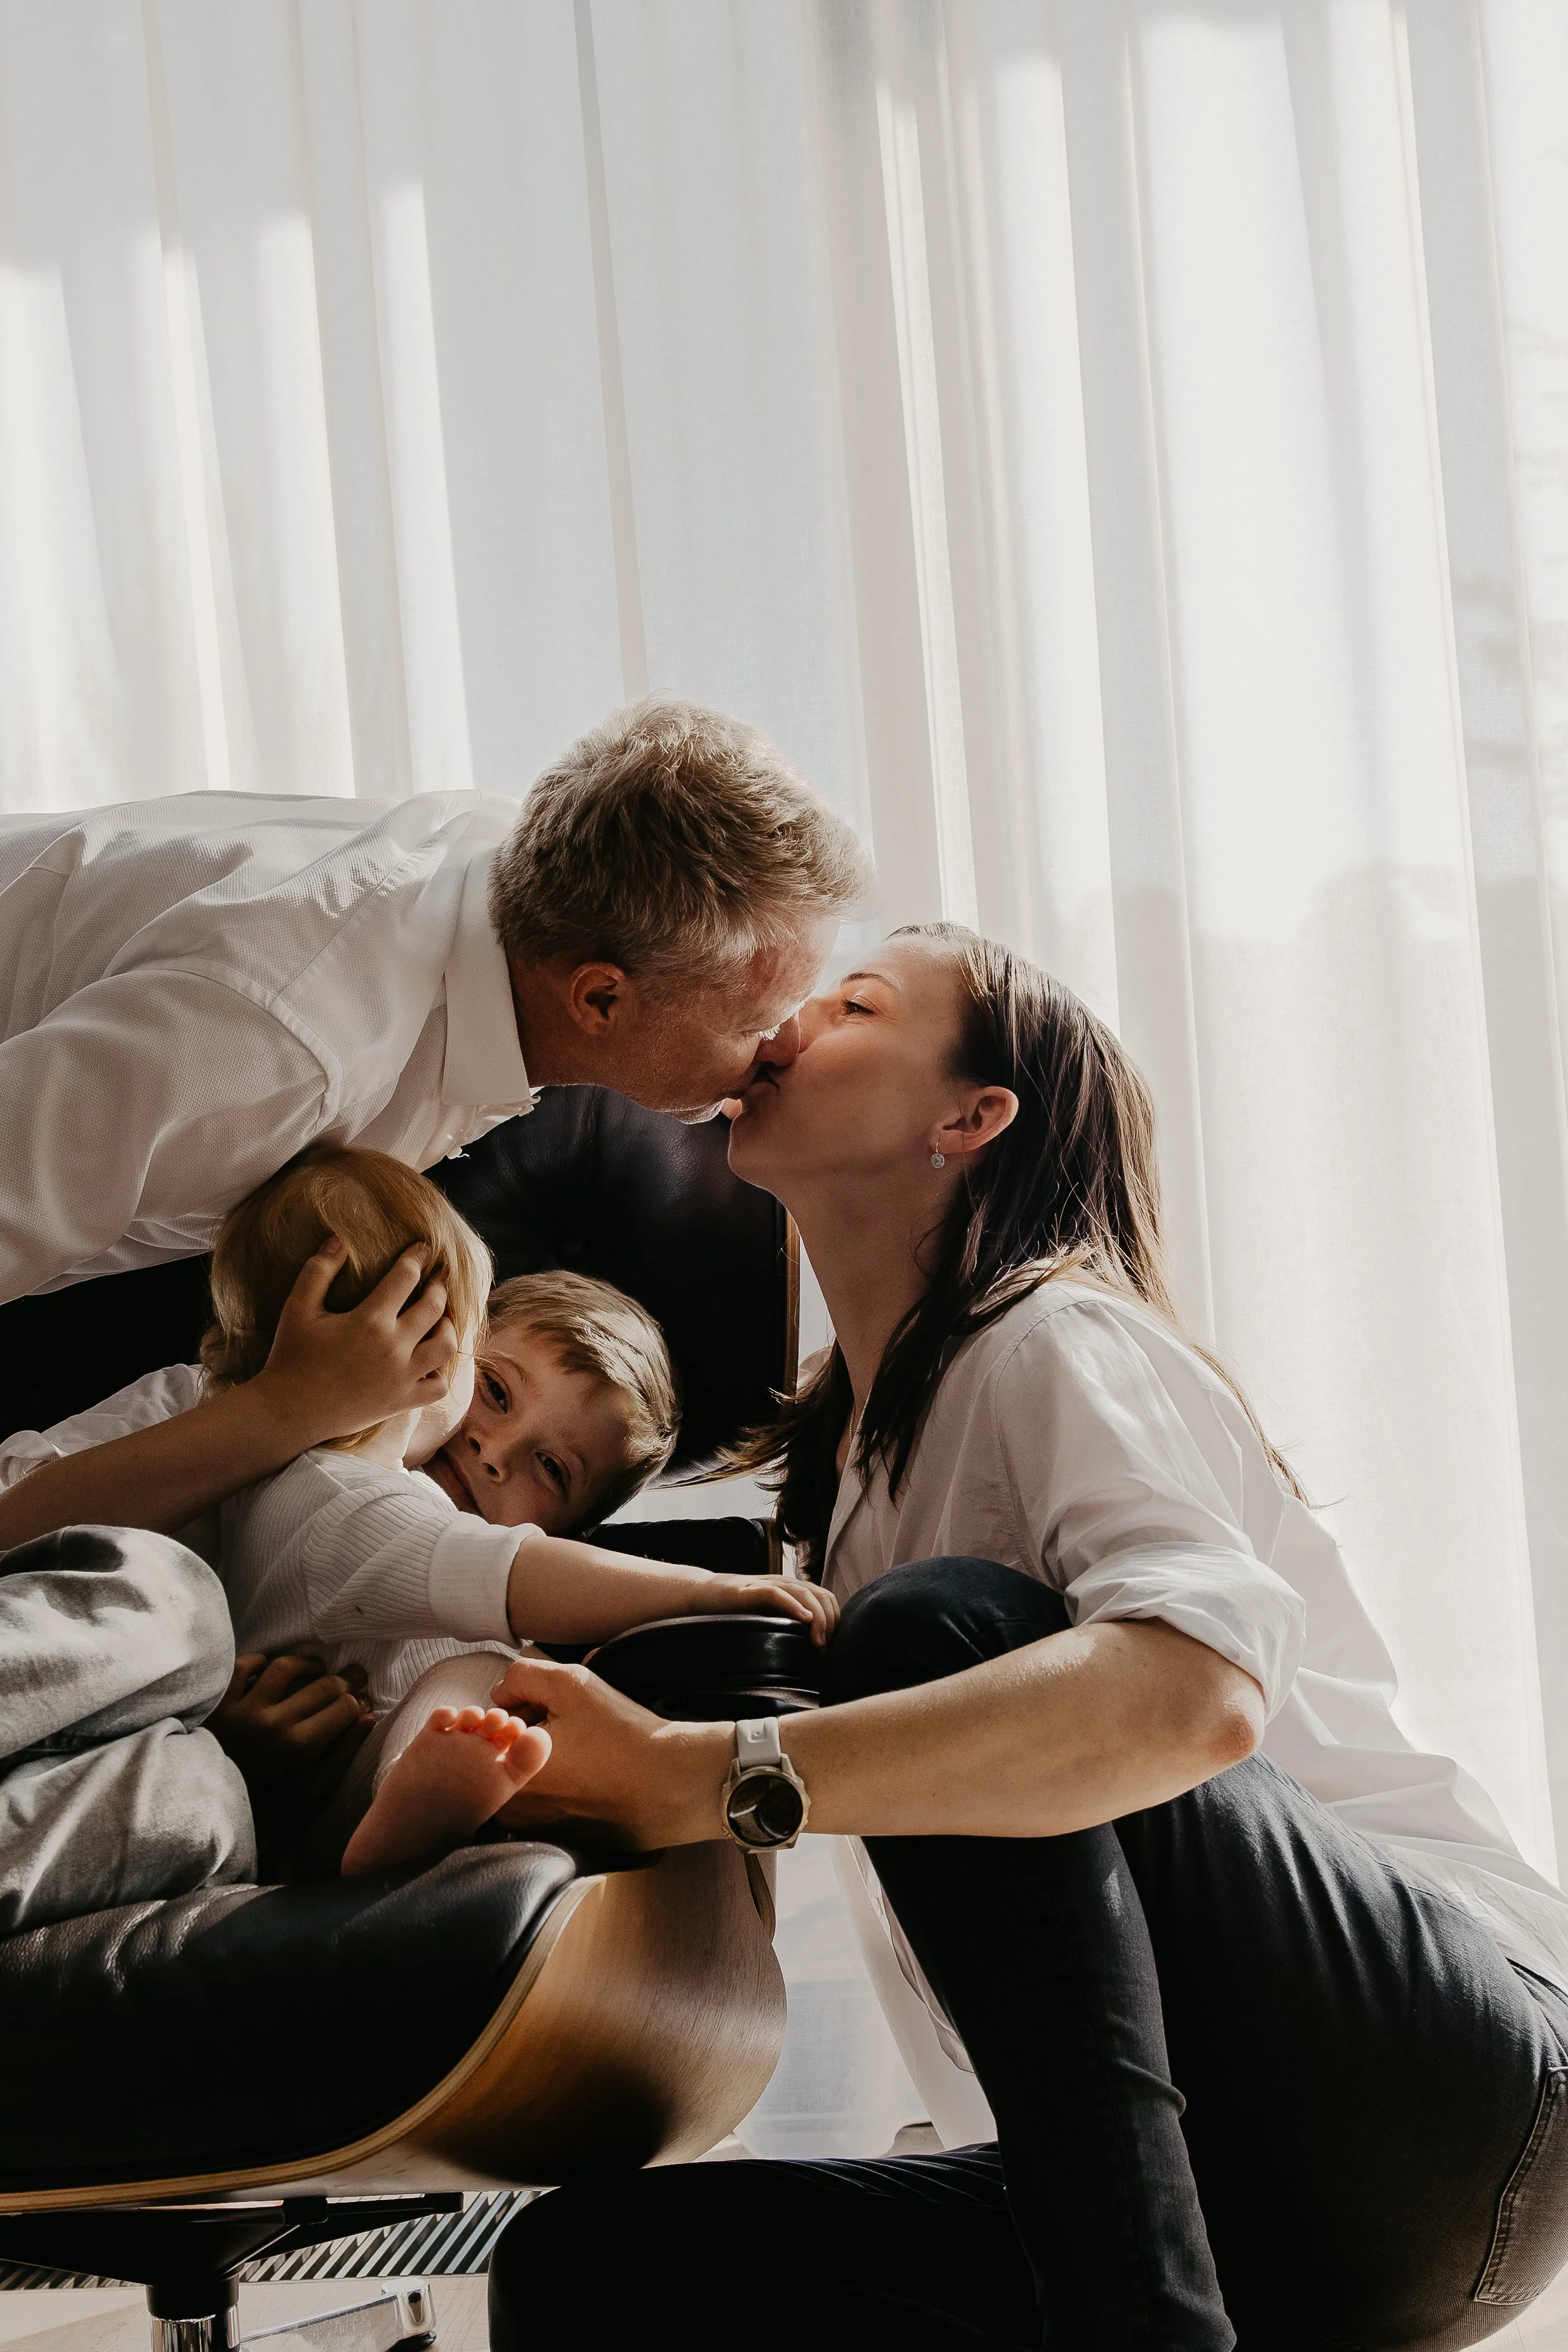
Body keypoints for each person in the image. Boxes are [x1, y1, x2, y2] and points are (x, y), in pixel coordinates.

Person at [484, 925, 1568, 2351]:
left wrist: (708, 1769)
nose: (794, 1017)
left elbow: (1200, 1696)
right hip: (1208, 2201)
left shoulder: (1058, 1334)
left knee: (941, 1632)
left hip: (1451, 2100)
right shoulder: (847, 1480)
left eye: (856, 1000)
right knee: (595, 2265)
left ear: (970, 1116)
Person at [0, 1145, 836, 1918]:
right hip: (85, 1687)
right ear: (440, 1348)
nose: (492, 1450)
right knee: (170, 1603)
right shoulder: (219, 1400)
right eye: (496, 1392)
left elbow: (509, 1580)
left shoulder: (455, 1570)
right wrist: (282, 1408)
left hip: (250, 1816)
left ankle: (400, 1800)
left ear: (571, 1526)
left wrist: (245, 1769)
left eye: (550, 1471)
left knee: (474, 1684)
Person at [0, 696, 870, 1305]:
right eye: (755, 1020)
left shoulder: (531, 868)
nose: (787, 1040)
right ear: (599, 997)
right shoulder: (288, 1044)